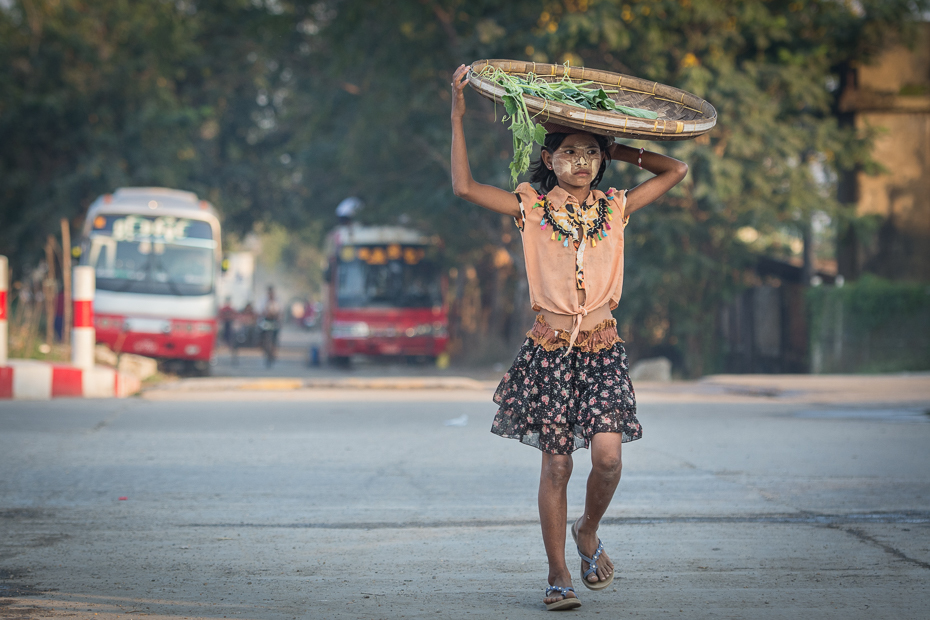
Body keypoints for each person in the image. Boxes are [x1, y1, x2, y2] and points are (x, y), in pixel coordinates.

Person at [450, 64, 688, 611]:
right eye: (568, 153)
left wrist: (616, 144)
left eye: (589, 153)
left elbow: (675, 168)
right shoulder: (530, 207)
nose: (580, 163)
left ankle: (588, 529)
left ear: (600, 160)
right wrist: (459, 114)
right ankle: (558, 575)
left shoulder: (615, 207)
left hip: (603, 350)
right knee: (556, 464)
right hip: (550, 354)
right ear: (548, 159)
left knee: (607, 458)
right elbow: (463, 187)